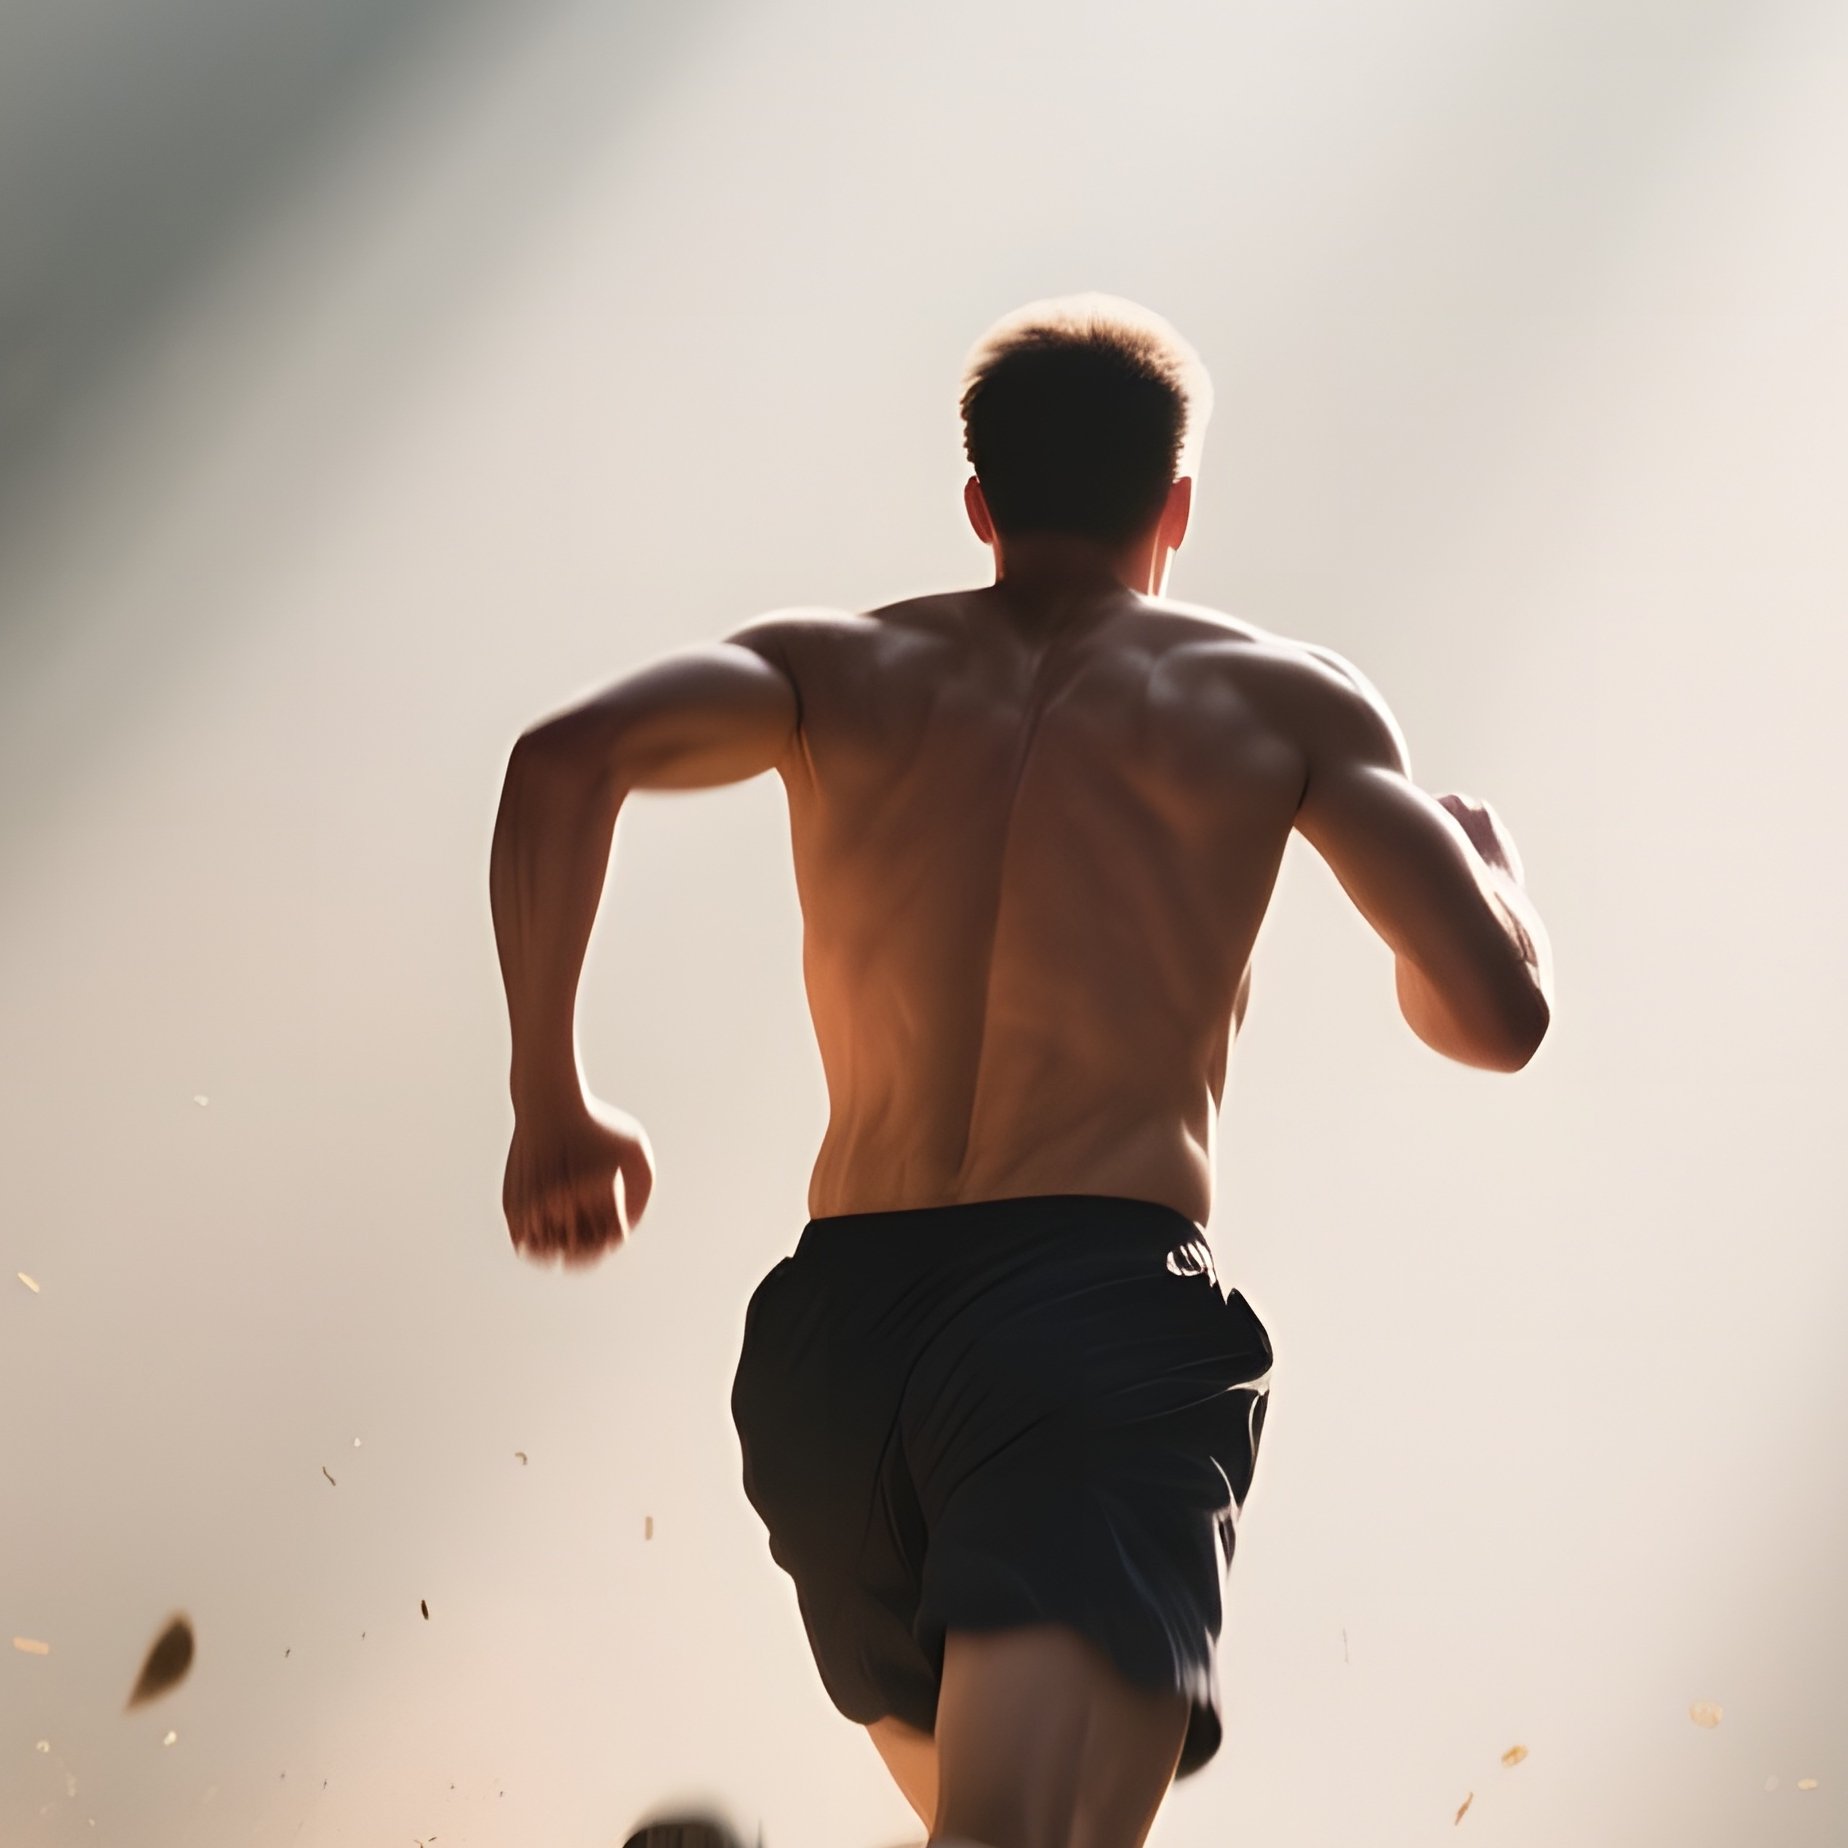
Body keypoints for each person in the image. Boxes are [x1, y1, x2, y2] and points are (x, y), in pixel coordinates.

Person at [492, 293, 1555, 1848]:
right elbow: (1493, 1019)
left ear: (980, 503)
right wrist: (1494, 877)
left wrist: (548, 1100)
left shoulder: (828, 669)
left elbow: (561, 761)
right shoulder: (1276, 695)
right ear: (1175, 508)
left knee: (988, 1825)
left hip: (835, 1351)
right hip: (1086, 1320)